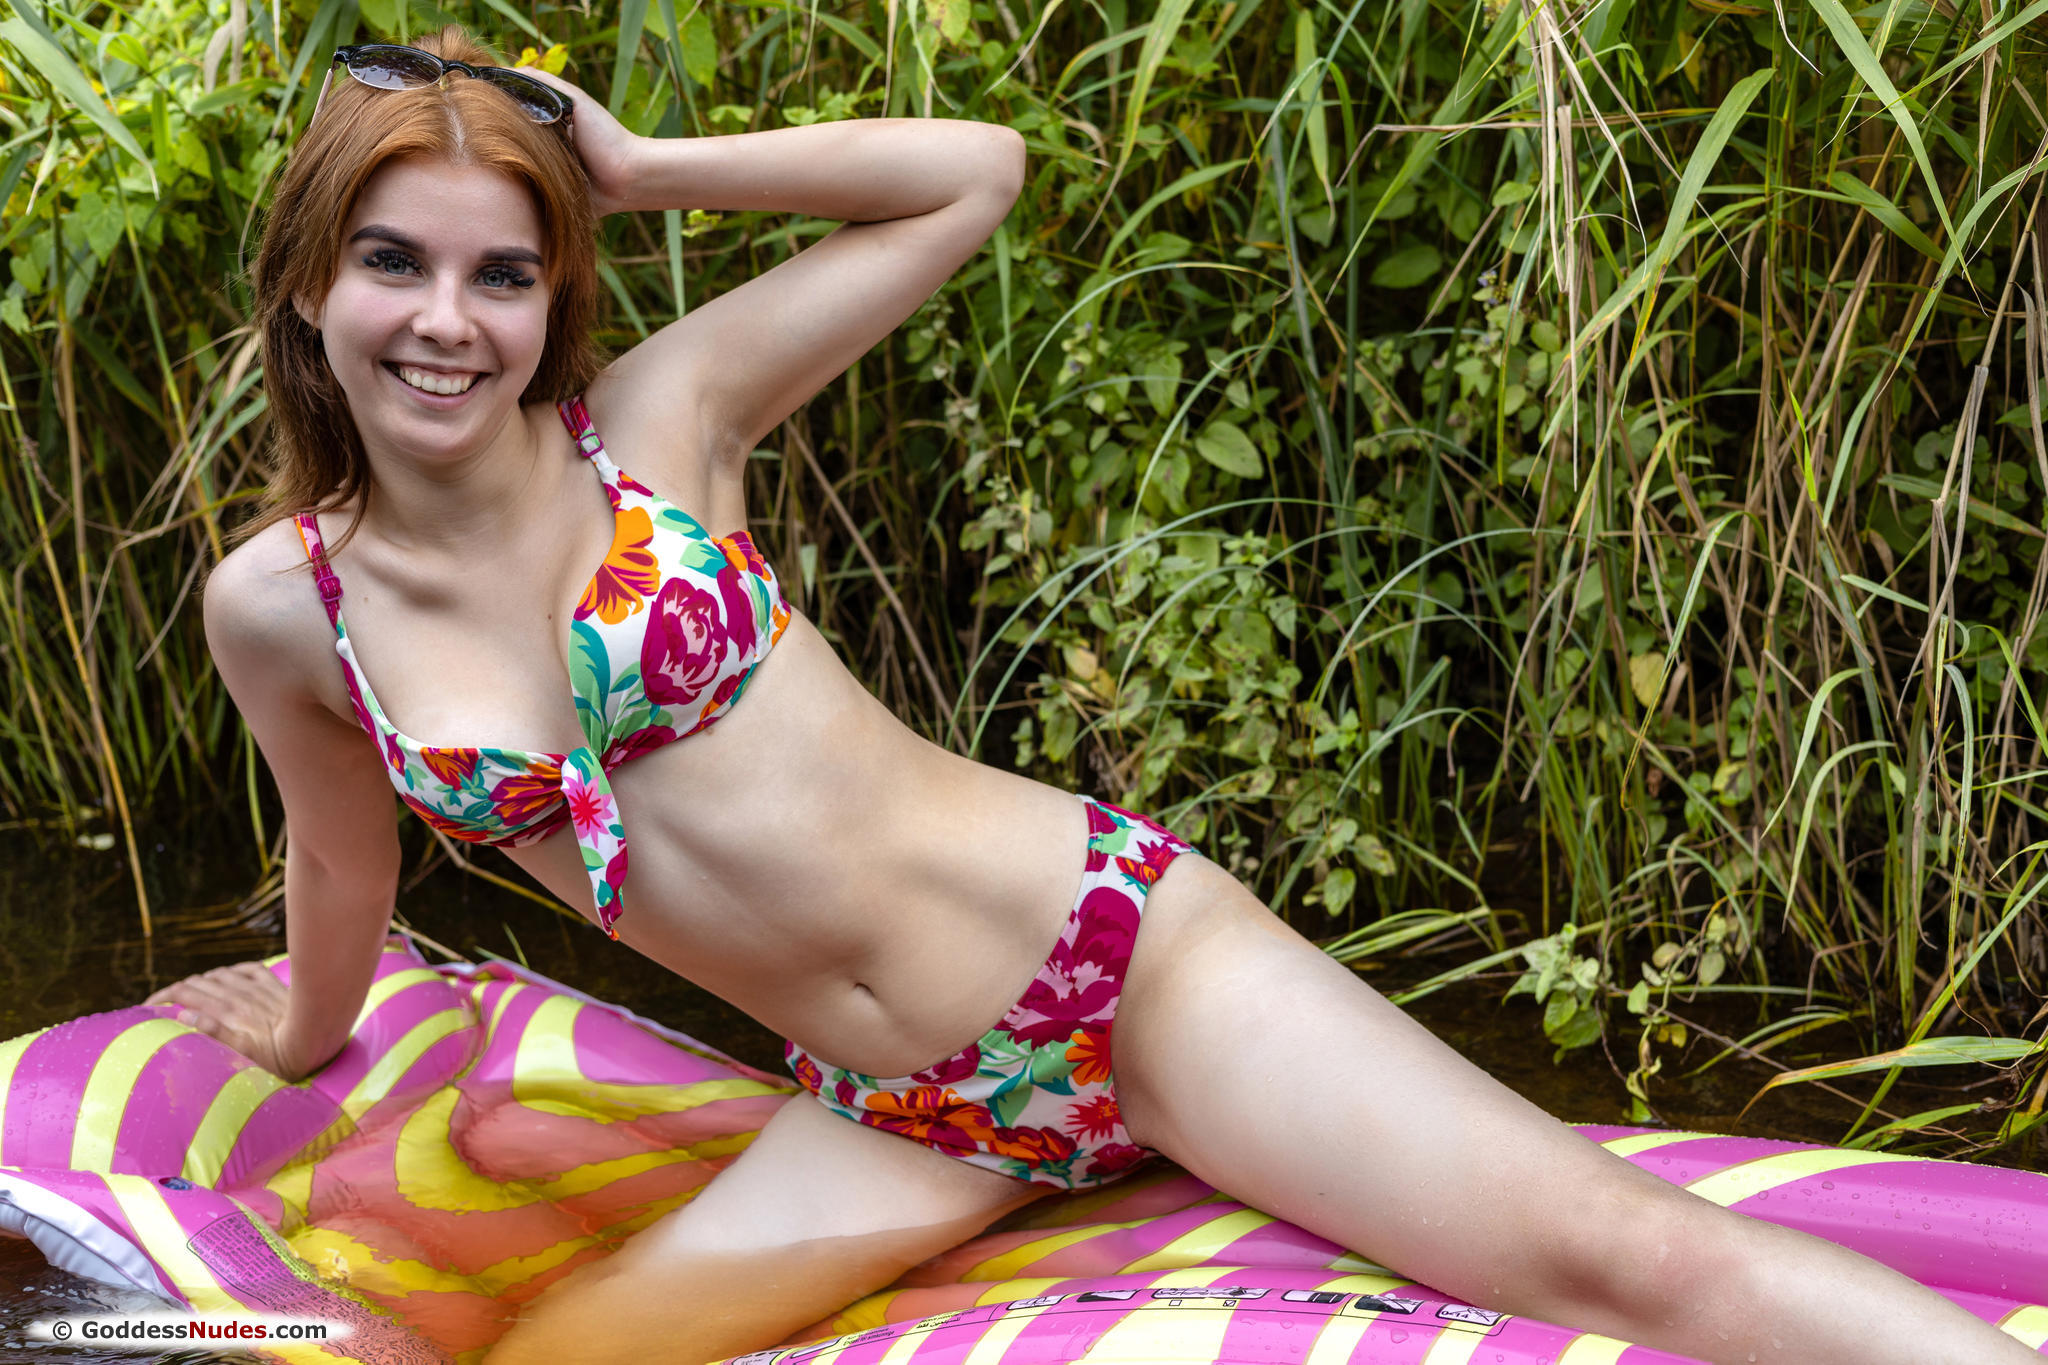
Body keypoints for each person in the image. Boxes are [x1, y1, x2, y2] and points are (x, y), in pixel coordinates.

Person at [146, 26, 2032, 1365]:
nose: (447, 320)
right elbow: (345, 860)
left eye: (502, 271)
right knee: (534, 1362)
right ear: (308, 282)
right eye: (392, 263)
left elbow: (972, 174)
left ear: (555, 297)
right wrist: (301, 1036)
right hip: (895, 1111)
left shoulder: (657, 424)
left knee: (1628, 1266)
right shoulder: (281, 608)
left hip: (1119, 972)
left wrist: (636, 170)